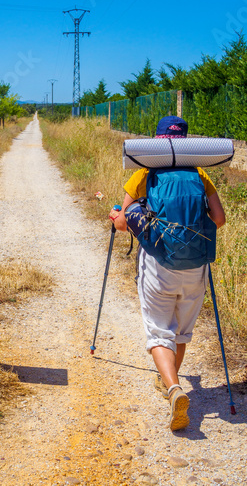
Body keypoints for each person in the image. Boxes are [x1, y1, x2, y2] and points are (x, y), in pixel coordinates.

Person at [109, 116, 226, 431]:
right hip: (197, 265)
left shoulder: (144, 174)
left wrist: (119, 216)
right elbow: (219, 218)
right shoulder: (199, 174)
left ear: (156, 139)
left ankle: (174, 388)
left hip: (159, 264)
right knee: (181, 330)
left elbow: (122, 224)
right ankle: (169, 381)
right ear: (186, 141)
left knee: (159, 331)